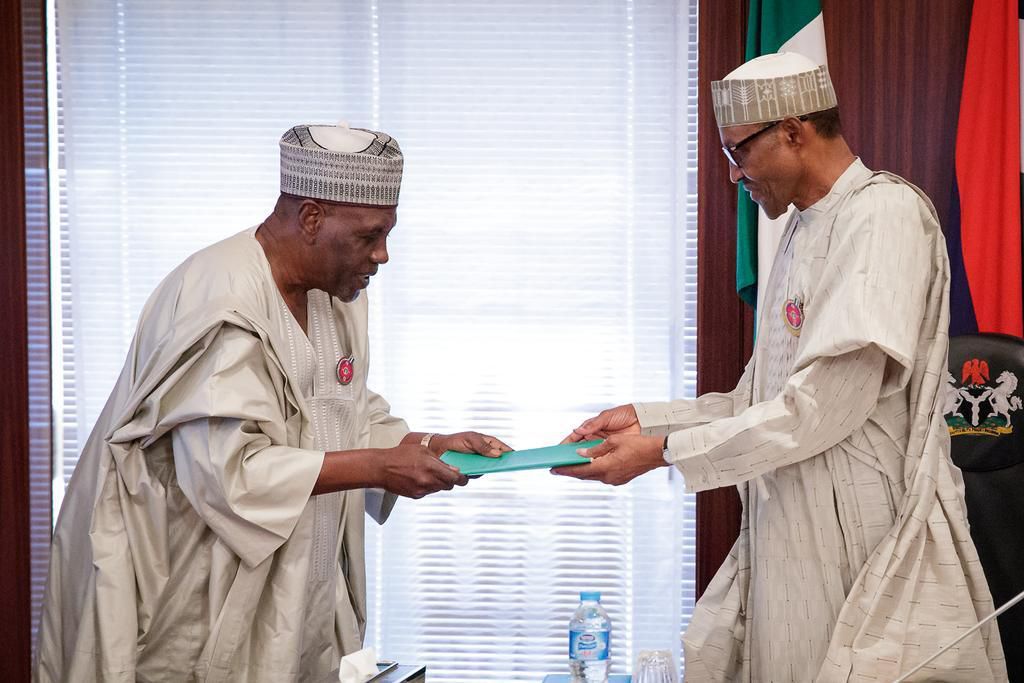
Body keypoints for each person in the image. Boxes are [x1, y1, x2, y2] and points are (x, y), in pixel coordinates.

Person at [555, 53, 1007, 681]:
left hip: (861, 533)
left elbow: (820, 409)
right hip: (791, 524)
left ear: (793, 131)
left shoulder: (883, 215)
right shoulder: (801, 229)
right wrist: (642, 419)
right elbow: (758, 398)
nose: (734, 175)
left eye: (738, 152)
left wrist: (661, 451)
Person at [34, 122, 510, 682]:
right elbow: (228, 476)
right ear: (311, 218)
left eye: (388, 234)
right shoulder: (220, 300)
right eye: (368, 236)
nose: (382, 255)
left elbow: (340, 410)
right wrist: (381, 466)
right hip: (193, 589)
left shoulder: (334, 293)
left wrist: (424, 445)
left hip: (296, 588)